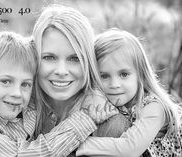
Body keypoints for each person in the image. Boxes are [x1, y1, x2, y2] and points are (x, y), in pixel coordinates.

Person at [0, 31, 115, 157]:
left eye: (26, 84)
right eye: (6, 81)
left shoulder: (11, 99)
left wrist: (94, 91)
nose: (17, 93)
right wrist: (85, 119)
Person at [32, 5, 126, 157]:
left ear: (88, 61)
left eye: (74, 58)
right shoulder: (18, 112)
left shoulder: (110, 124)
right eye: (49, 57)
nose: (61, 71)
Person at [76, 28, 182, 157]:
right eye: (104, 76)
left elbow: (130, 148)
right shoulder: (103, 98)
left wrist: (77, 145)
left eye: (124, 74)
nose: (114, 85)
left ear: (141, 75)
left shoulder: (154, 107)